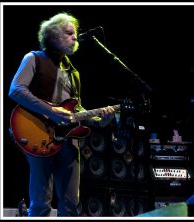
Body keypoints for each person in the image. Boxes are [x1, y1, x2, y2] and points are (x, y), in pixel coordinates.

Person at [8, 12, 115, 216]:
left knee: (71, 204)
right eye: (69, 33)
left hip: (67, 139)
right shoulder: (34, 58)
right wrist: (51, 111)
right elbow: (16, 90)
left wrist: (101, 119)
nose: (75, 37)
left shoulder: (74, 72)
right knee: (40, 203)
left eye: (75, 33)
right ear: (53, 35)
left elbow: (77, 110)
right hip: (38, 133)